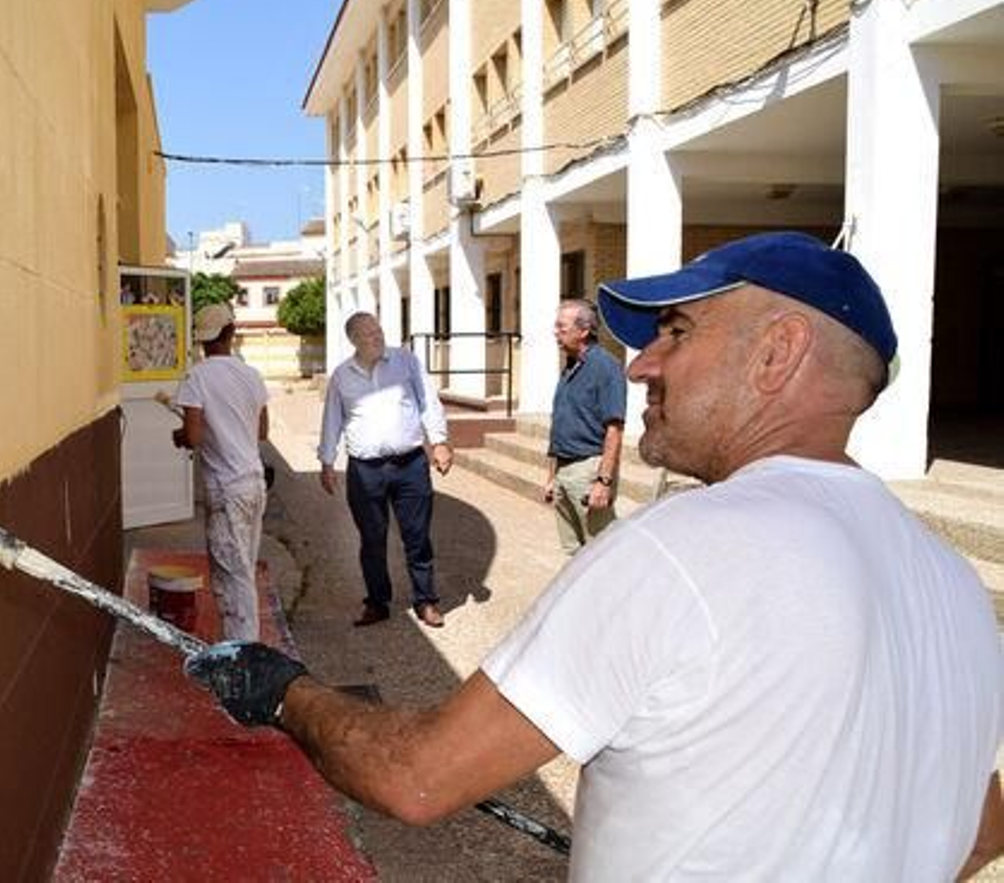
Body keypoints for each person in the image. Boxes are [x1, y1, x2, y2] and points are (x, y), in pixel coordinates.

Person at [187, 232, 1004, 879]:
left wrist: (285, 692)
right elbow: (982, 822)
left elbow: (418, 775)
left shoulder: (685, 546)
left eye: (677, 332)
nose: (643, 363)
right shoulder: (953, 583)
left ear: (778, 352)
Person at [317, 311, 455, 629]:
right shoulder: (342, 376)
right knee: (372, 539)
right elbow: (332, 420)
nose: (377, 337)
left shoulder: (405, 361)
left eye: (378, 330)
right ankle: (377, 602)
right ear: (353, 341)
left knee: (417, 536)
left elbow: (428, 402)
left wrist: (440, 442)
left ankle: (426, 601)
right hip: (365, 470)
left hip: (410, 465)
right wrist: (327, 462)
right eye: (368, 334)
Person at [171, 302, 270, 642]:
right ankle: (238, 645)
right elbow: (262, 431)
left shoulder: (197, 377)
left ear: (202, 340)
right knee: (241, 569)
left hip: (226, 491)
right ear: (231, 333)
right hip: (254, 484)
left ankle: (244, 656)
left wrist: (181, 435)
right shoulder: (251, 374)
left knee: (234, 576)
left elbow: (194, 437)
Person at [544, 299, 627, 554]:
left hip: (588, 469)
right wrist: (551, 477)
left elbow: (615, 428)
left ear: (584, 331)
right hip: (564, 470)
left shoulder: (605, 367)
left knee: (601, 551)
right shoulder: (570, 367)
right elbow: (559, 422)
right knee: (574, 552)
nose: (555, 332)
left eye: (562, 327)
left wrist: (603, 481)